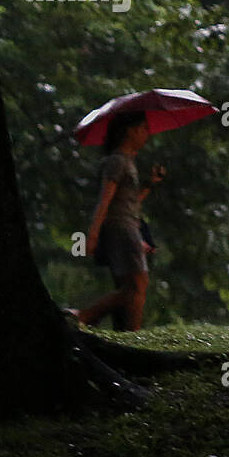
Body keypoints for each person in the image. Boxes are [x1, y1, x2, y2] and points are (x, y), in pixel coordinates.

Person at [75, 110, 166, 332]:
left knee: (131, 287)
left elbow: (129, 202)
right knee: (137, 285)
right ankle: (83, 316)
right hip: (121, 228)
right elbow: (104, 201)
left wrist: (149, 184)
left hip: (128, 225)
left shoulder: (127, 162)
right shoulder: (117, 161)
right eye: (143, 128)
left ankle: (129, 333)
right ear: (130, 131)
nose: (147, 134)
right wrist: (93, 235)